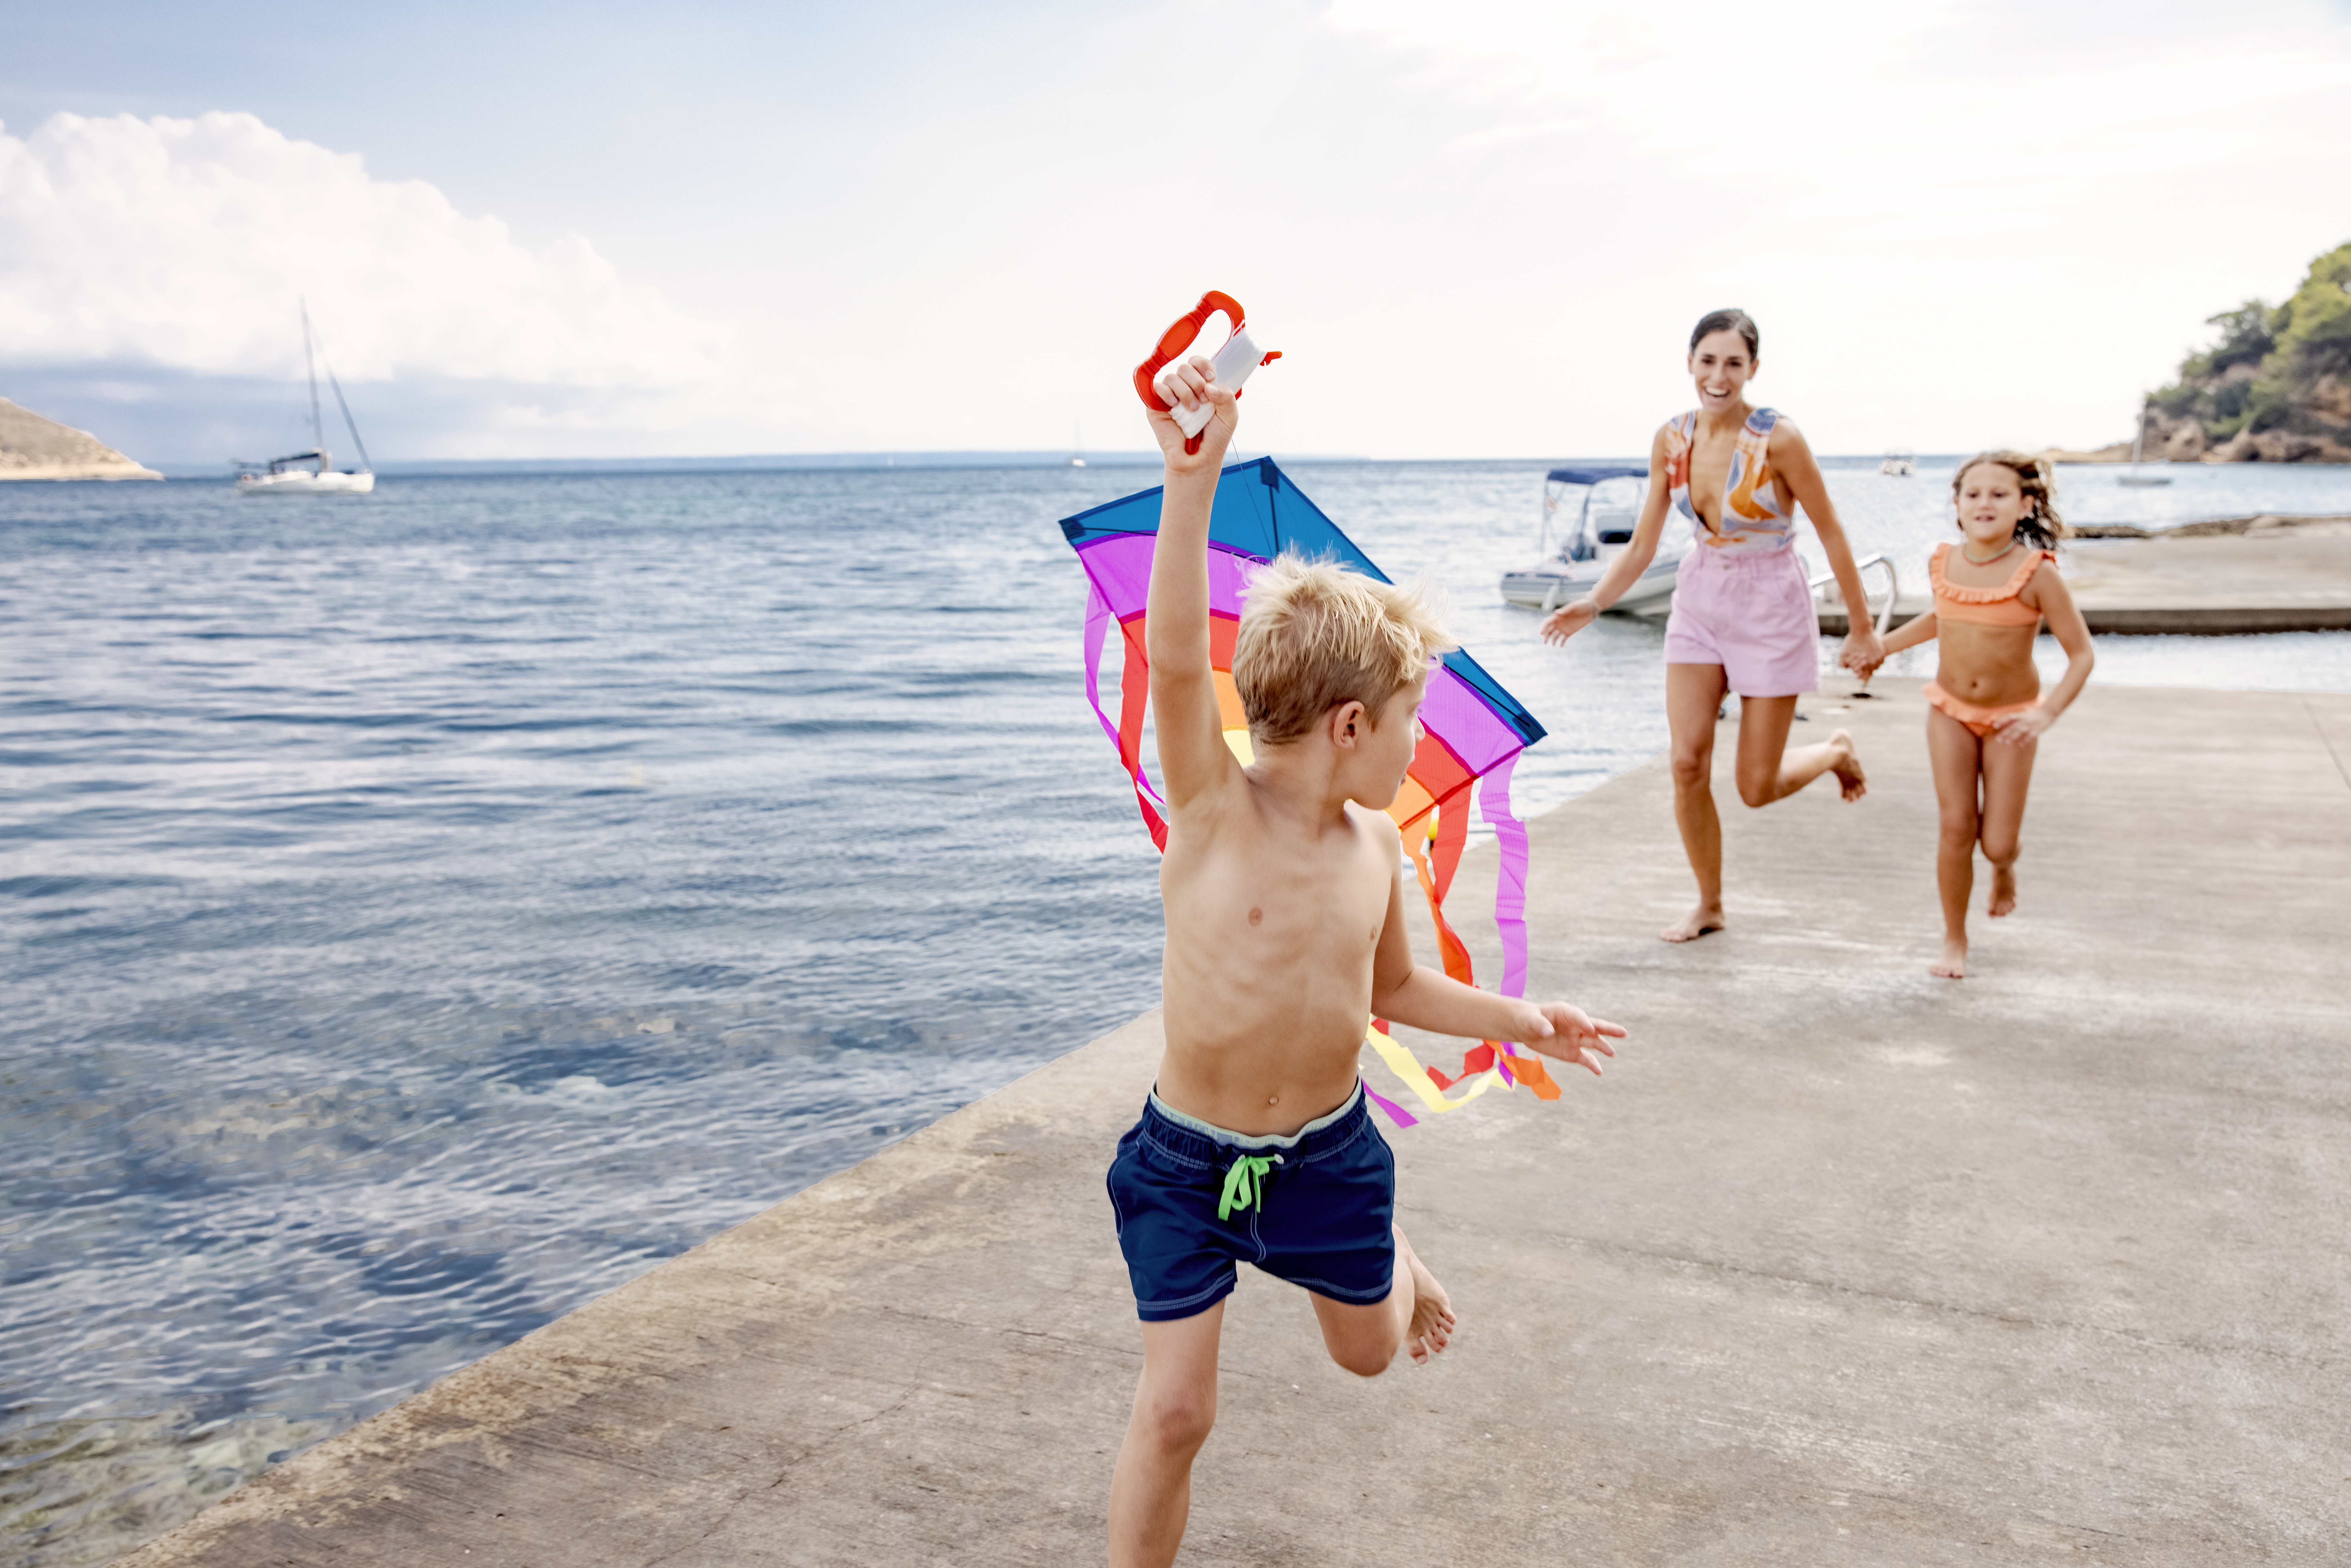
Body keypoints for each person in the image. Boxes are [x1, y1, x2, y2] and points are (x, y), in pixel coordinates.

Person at [1106, 354, 1625, 1568]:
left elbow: (1392, 989)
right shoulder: (1209, 806)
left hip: (1330, 1151)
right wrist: (1193, 480)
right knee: (1178, 1411)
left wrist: (1522, 1016)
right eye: (1409, 720)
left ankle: (1389, 1250)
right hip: (1188, 1164)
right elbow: (1179, 659)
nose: (1414, 744)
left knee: (1369, 1352)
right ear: (1352, 725)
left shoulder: (1376, 840)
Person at [1541, 308, 1888, 942]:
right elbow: (1645, 543)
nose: (1719, 376)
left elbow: (1831, 530)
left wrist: (1862, 629)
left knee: (1755, 786)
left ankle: (1834, 750)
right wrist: (1594, 602)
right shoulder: (1672, 439)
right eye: (1707, 361)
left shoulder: (1779, 438)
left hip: (1771, 606)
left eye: (1733, 363)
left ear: (1753, 368)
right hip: (1700, 600)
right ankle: (1709, 903)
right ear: (1690, 364)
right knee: (1685, 761)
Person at [1872, 452, 2093, 979]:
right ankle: (1954, 939)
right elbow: (1941, 617)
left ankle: (2005, 867)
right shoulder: (1944, 561)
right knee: (1955, 826)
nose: (1984, 503)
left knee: (1995, 842)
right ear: (1956, 506)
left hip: (2012, 720)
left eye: (1999, 494)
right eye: (1973, 494)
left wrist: (2048, 715)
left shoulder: (2037, 575)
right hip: (1949, 710)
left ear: (2026, 505)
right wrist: (1880, 646)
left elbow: (2082, 655)